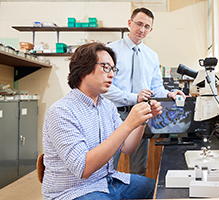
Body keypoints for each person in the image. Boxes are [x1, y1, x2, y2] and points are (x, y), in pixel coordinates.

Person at [41, 42, 162, 200]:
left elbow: (128, 148)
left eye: (113, 69)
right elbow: (84, 168)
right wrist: (128, 124)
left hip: (107, 181)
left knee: (157, 190)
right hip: (75, 191)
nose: (112, 74)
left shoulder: (107, 106)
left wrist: (142, 120)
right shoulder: (62, 111)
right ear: (84, 68)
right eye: (106, 67)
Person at [103, 7, 186, 175]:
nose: (142, 29)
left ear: (151, 29)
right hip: (114, 114)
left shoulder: (152, 56)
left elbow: (156, 87)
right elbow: (105, 88)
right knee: (108, 164)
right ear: (129, 23)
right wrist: (135, 97)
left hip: (141, 114)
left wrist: (169, 94)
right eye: (139, 24)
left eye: (146, 26)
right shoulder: (110, 51)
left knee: (139, 168)